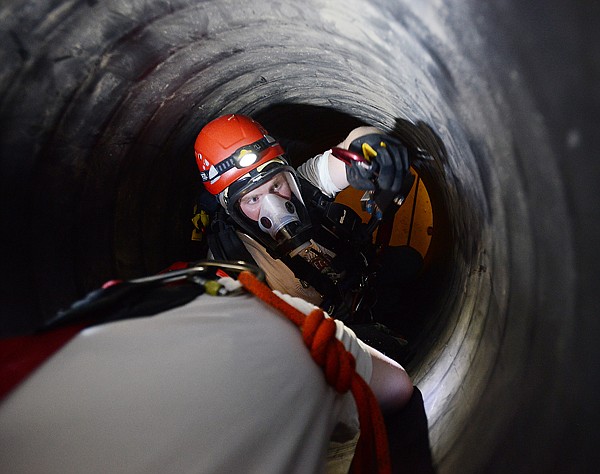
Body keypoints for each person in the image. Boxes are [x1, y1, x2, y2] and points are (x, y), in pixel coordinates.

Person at [0, 262, 416, 473]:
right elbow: (394, 386)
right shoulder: (259, 306)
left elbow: (319, 172)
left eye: (279, 181)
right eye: (253, 197)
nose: (275, 201)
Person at [194, 114, 412, 324]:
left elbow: (347, 151)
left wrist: (369, 145)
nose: (274, 206)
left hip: (359, 282)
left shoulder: (303, 186)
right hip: (331, 335)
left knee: (410, 261)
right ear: (231, 208)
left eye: (276, 185)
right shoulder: (229, 261)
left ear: (287, 175)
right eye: (253, 199)